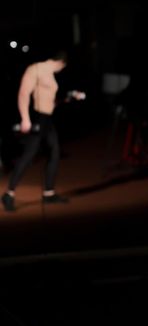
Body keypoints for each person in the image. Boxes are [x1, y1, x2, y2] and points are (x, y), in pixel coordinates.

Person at [1, 50, 85, 212]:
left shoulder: (51, 74)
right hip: (37, 117)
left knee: (54, 151)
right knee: (29, 155)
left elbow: (51, 101)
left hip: (47, 119)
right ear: (61, 63)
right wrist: (25, 118)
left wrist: (70, 97)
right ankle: (9, 194)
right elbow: (23, 94)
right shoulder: (36, 69)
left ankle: (48, 193)